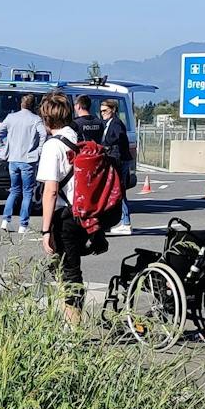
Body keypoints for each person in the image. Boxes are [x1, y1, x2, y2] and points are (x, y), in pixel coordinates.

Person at [37, 91, 89, 324]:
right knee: (71, 269)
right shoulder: (79, 139)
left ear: (47, 119)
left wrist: (45, 231)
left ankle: (72, 328)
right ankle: (71, 319)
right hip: (83, 213)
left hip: (64, 216)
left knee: (68, 273)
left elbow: (50, 191)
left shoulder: (53, 146)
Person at [0, 92, 45, 237]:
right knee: (27, 192)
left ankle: (6, 220)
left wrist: (3, 149)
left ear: (21, 104)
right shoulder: (36, 119)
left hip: (13, 159)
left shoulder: (11, 118)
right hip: (28, 160)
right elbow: (44, 135)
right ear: (34, 106)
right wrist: (39, 150)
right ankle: (23, 224)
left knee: (14, 190)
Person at [98, 96, 135, 235]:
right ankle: (119, 221)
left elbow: (118, 137)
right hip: (115, 159)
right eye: (101, 111)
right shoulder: (107, 123)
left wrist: (107, 144)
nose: (103, 113)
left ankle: (126, 222)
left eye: (105, 110)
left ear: (113, 110)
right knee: (116, 191)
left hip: (120, 160)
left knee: (119, 190)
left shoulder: (116, 123)